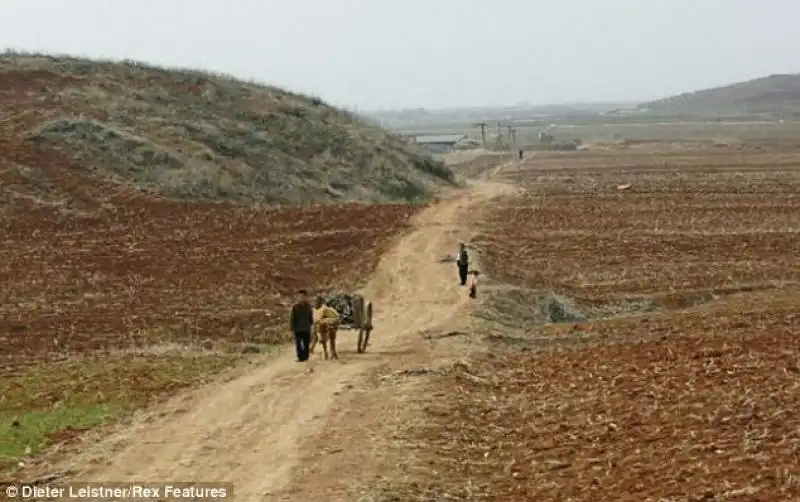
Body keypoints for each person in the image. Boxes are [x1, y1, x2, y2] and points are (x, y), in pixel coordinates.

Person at [289, 289, 314, 362]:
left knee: (306, 343)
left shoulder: (308, 306)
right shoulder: (295, 307)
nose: (301, 298)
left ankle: (306, 357)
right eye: (300, 296)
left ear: (306, 297)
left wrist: (312, 327)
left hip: (306, 328)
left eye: (303, 296)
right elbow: (292, 318)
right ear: (298, 297)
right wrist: (291, 328)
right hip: (298, 328)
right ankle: (300, 357)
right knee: (298, 344)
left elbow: (310, 317)